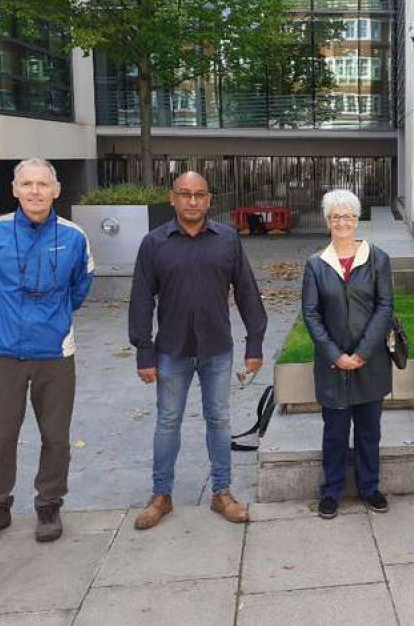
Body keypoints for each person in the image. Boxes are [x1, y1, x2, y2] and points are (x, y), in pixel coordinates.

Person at [0, 158, 94, 546]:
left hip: (54, 350)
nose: (35, 191)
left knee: (55, 435)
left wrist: (50, 318)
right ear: (15, 189)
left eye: (43, 184)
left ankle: (49, 504)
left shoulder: (74, 236)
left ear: (57, 190)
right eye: (27, 184)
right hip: (3, 348)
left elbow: (81, 286)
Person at [129, 171, 267, 528]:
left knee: (219, 420)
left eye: (199, 194)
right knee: (167, 422)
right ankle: (161, 495)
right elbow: (141, 300)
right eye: (185, 194)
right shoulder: (154, 243)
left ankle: (222, 492)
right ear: (172, 198)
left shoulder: (228, 240)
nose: (192, 201)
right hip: (171, 351)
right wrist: (144, 352)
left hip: (217, 350)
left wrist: (255, 343)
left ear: (209, 199)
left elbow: (248, 292)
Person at [301, 190, 393, 519]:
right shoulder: (315, 264)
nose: (342, 222)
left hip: (371, 361)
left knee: (370, 430)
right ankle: (332, 490)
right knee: (335, 431)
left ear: (357, 220)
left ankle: (370, 487)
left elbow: (385, 307)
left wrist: (363, 351)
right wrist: (336, 355)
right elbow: (310, 314)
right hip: (332, 365)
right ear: (328, 221)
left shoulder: (377, 258)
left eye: (348, 216)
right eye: (336, 216)